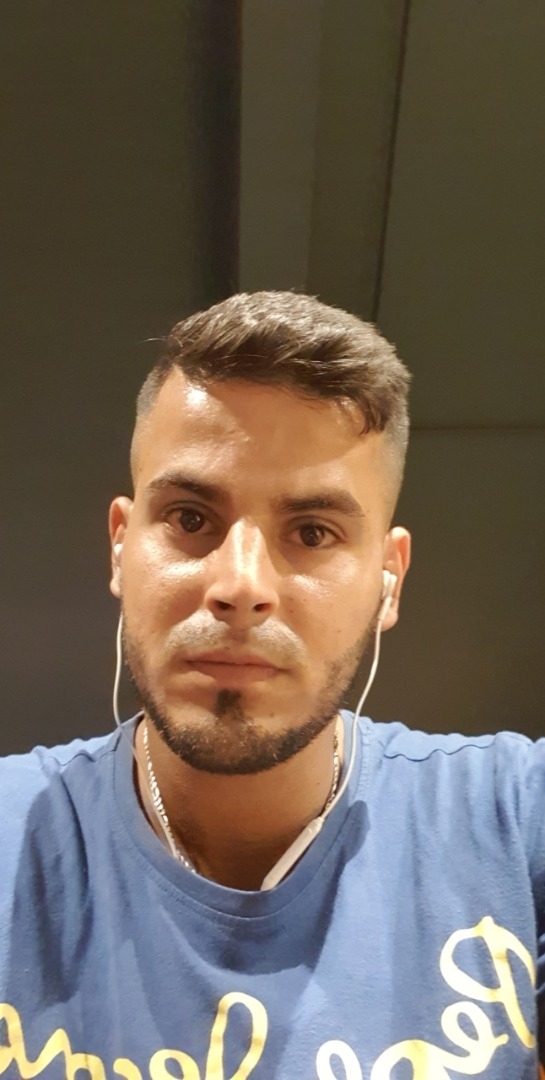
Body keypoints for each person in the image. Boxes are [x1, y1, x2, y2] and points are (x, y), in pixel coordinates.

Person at [0, 291, 543, 1080]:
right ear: (121, 547)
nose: (240, 586)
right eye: (190, 519)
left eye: (312, 533)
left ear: (388, 579)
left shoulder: (515, 820)